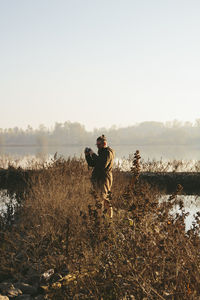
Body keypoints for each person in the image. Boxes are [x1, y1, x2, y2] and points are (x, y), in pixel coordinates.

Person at [85, 135, 115, 218]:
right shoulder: (102, 152)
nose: (97, 147)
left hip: (105, 178)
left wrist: (93, 154)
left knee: (103, 198)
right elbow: (92, 164)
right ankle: (101, 217)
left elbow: (103, 165)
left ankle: (109, 218)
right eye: (96, 145)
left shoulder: (108, 152)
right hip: (98, 178)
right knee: (98, 198)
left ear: (104, 143)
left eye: (99, 145)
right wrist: (87, 155)